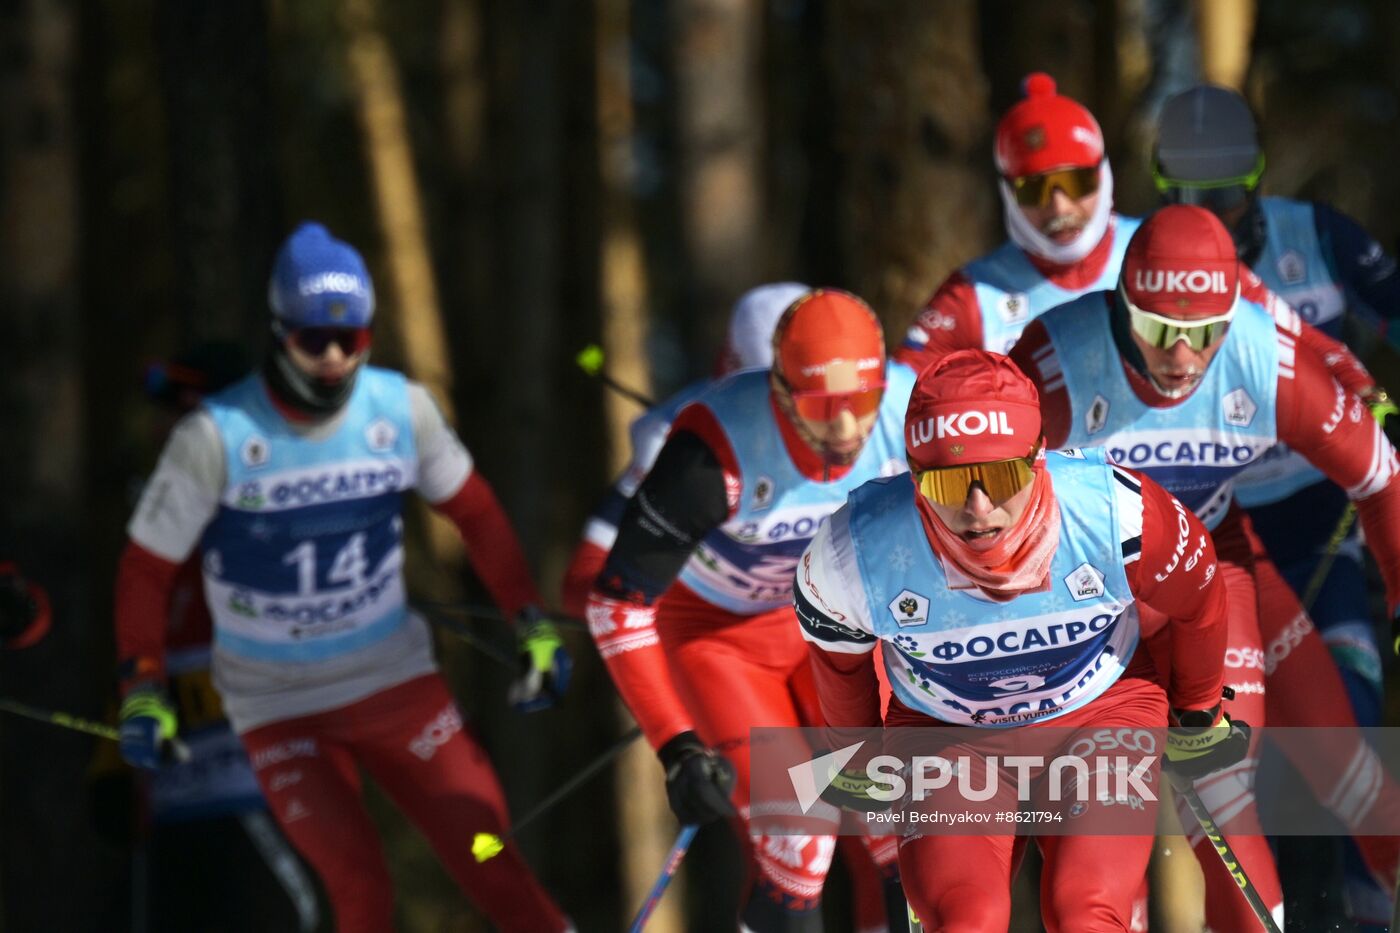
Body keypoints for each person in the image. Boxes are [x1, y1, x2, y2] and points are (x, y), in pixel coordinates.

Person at [112, 222, 573, 933]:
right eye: (311, 341)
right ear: (278, 330)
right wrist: (141, 688)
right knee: (360, 884)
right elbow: (145, 569)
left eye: (350, 340)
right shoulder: (216, 434)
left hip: (395, 687)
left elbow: (475, 512)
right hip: (280, 705)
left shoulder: (399, 410)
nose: (332, 359)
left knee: (486, 852)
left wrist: (530, 620)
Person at [1009, 204, 1400, 930]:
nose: (1182, 357)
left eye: (1204, 334)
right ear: (1122, 306)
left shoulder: (1258, 350)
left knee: (1229, 793)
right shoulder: (1056, 362)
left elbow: (1380, 477)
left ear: (1232, 317)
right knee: (1094, 842)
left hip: (1210, 570)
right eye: (1159, 330)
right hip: (1093, 599)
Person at [795, 348, 1243, 930]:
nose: (978, 510)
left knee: (1083, 909)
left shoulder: (1116, 512)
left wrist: (1199, 707)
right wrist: (856, 759)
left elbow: (1202, 596)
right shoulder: (851, 554)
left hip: (1101, 716)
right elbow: (840, 667)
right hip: (948, 738)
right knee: (967, 916)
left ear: (1038, 462)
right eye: (947, 484)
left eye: (1002, 477)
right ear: (914, 477)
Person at [586, 289, 913, 932]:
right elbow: (615, 605)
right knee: (802, 832)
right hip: (719, 640)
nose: (846, 430)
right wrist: (676, 746)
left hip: (833, 630)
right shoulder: (712, 451)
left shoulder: (909, 408)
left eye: (861, 404)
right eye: (823, 407)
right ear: (782, 392)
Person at [1154, 81, 1400, 930]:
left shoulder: (1318, 238)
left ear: (1258, 175)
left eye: (1227, 190)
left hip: (1314, 520)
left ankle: (1351, 900)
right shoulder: (1154, 266)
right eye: (1190, 196)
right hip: (1212, 531)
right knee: (1244, 754)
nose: (1214, 213)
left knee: (1347, 722)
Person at [560, 281, 811, 617]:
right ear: (730, 372)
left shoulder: (874, 424)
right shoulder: (677, 439)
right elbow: (583, 582)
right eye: (777, 398)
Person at [896, 72, 1141, 368]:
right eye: (1034, 190)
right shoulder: (975, 294)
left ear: (1103, 175)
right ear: (1008, 193)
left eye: (1077, 183)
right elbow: (898, 399)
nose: (1060, 208)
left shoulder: (1159, 249)